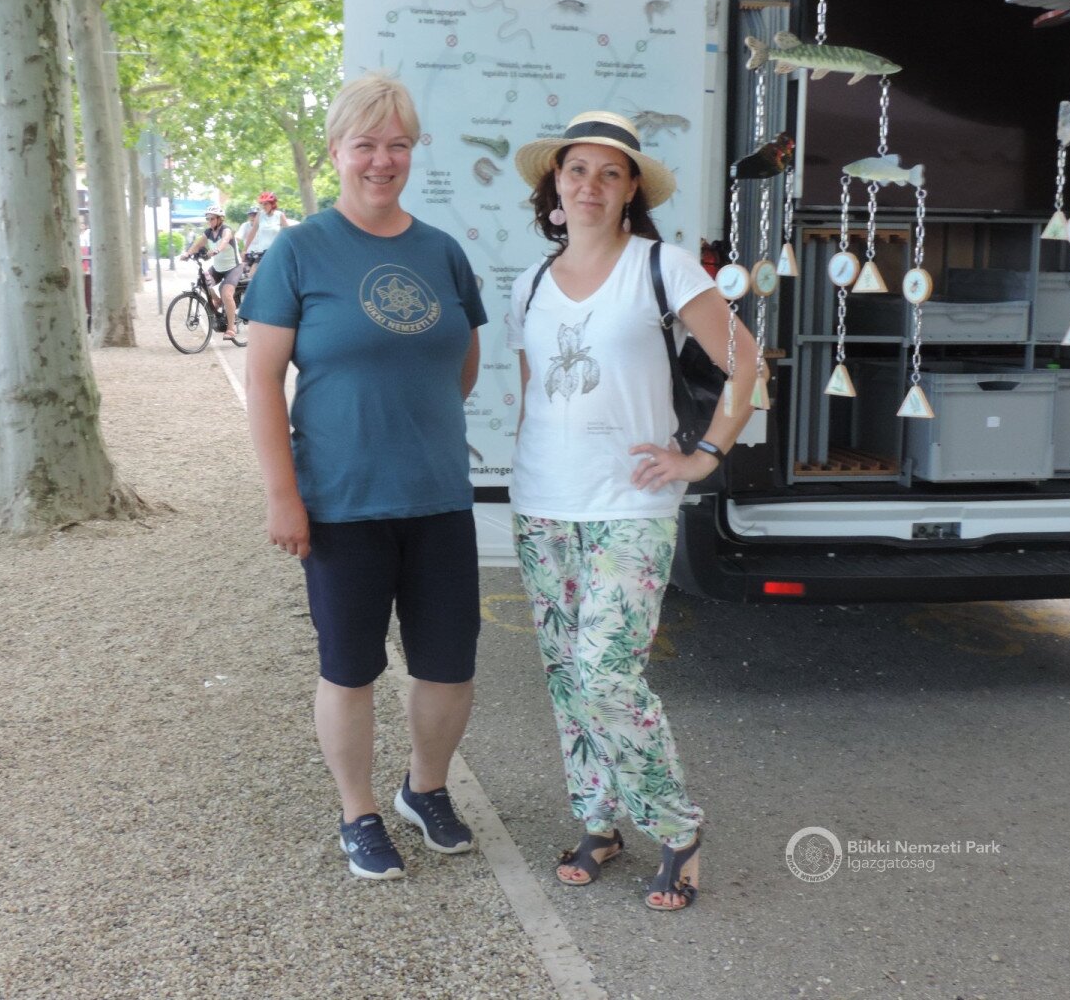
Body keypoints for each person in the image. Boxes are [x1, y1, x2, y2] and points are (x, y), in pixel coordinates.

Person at [507, 111, 760, 908]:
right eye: (576, 169)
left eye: (609, 173)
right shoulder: (529, 284)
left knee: (606, 674)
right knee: (566, 678)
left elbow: (746, 363)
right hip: (543, 504)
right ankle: (598, 820)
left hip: (630, 504)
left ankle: (677, 830)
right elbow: (533, 393)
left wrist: (704, 455)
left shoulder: (663, 266)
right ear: (555, 185)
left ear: (630, 192)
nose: (590, 184)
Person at [242, 71, 487, 881]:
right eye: (366, 144)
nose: (383, 160)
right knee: (350, 667)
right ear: (336, 151)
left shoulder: (441, 252)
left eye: (398, 145)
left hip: (438, 498)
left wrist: (408, 420)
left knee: (448, 664)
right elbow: (262, 382)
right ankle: (359, 811)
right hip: (341, 504)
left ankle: (426, 789)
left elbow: (462, 363)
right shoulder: (299, 250)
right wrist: (284, 495)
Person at [179, 205, 244, 343]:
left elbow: (225, 240)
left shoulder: (226, 230)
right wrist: (187, 253)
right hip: (218, 267)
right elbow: (197, 245)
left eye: (212, 218)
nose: (209, 221)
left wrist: (216, 250)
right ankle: (217, 301)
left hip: (233, 267)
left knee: (226, 293)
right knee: (202, 280)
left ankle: (231, 328)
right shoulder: (208, 232)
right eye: (207, 219)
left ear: (220, 219)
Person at [242, 191, 294, 283]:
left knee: (277, 277)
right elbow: (253, 232)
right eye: (262, 204)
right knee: (251, 277)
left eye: (266, 204)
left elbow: (289, 233)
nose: (263, 206)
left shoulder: (279, 215)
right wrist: (245, 249)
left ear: (272, 204)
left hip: (277, 252)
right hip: (262, 252)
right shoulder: (260, 215)